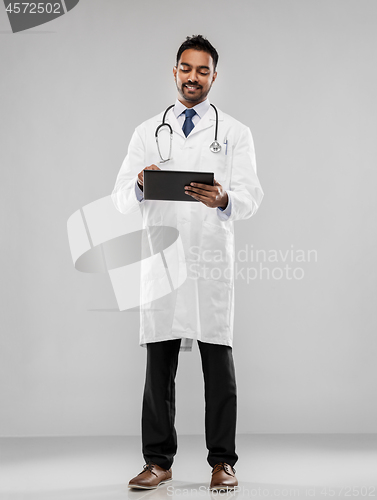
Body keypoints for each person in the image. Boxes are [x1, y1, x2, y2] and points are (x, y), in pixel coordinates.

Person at [111, 35, 264, 491]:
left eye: (202, 70)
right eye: (185, 68)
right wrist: (140, 183)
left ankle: (223, 462)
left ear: (214, 76)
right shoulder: (146, 132)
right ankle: (158, 461)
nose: (192, 77)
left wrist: (224, 198)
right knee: (159, 365)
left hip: (209, 261)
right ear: (173, 71)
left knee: (218, 363)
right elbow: (120, 198)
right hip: (162, 262)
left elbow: (252, 196)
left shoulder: (234, 133)